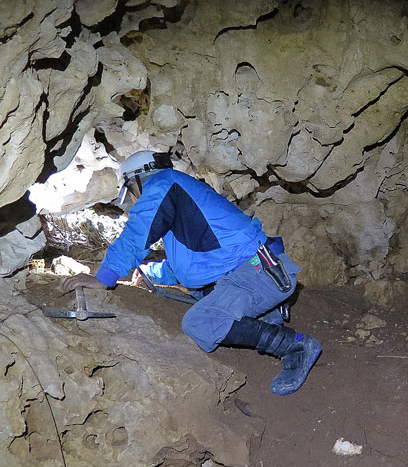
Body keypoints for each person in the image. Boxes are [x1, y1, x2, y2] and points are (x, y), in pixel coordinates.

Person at [61, 150, 321, 396]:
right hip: (251, 273)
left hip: (258, 272)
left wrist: (104, 277)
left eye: (131, 192)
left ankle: (295, 346)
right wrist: (151, 273)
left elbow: (138, 232)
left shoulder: (164, 182)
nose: (135, 200)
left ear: (138, 180)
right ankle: (269, 319)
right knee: (209, 305)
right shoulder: (183, 200)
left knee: (199, 322)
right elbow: (194, 262)